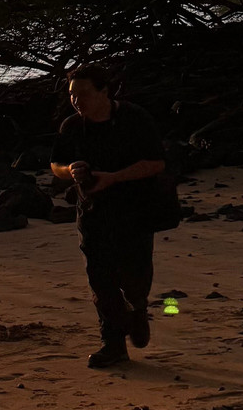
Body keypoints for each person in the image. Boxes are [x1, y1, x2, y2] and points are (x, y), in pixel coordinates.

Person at [50, 65, 166, 368]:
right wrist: (70, 171)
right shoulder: (72, 126)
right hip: (92, 212)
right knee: (100, 281)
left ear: (104, 91)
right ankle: (113, 345)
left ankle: (138, 310)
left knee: (134, 277)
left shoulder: (135, 119)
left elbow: (156, 163)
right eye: (73, 96)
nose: (77, 102)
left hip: (135, 211)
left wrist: (114, 177)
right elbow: (56, 165)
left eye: (84, 95)